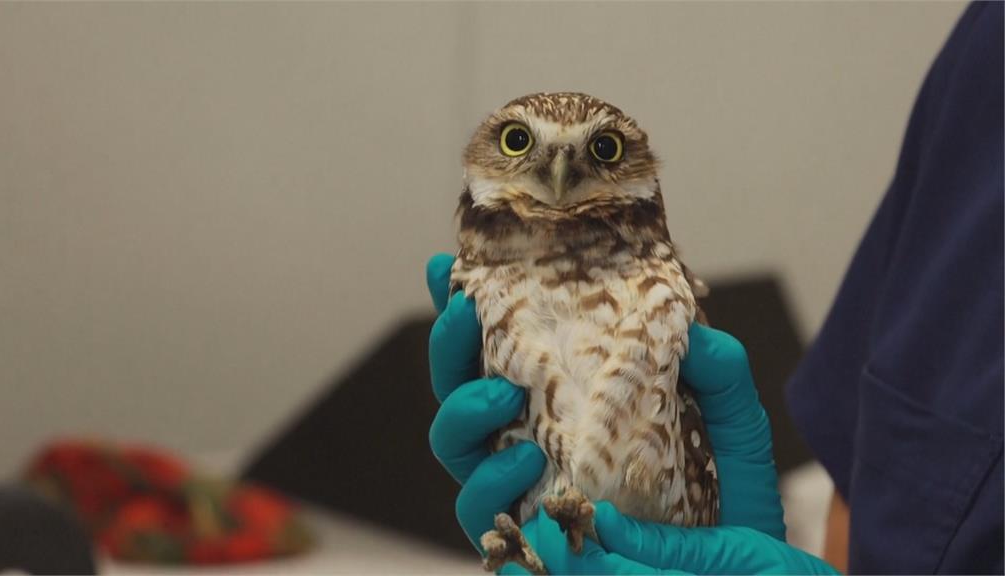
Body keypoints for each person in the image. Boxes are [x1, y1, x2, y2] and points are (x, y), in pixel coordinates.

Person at [425, 2, 1002, 573]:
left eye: (603, 150)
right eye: (518, 144)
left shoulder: (655, 279)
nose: (558, 170)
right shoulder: (986, 49)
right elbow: (869, 497)